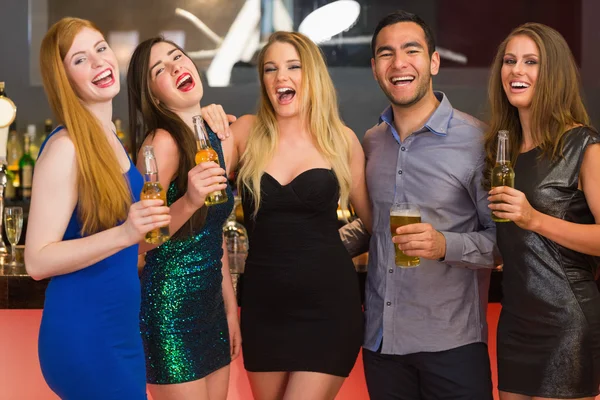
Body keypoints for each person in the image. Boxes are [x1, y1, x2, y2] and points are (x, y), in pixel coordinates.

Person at [341, 10, 498, 399]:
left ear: (434, 61)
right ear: (376, 68)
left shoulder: (477, 142)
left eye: (411, 50)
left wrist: (444, 245)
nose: (399, 63)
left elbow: (502, 243)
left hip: (453, 346)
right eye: (385, 54)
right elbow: (374, 224)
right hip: (382, 344)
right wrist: (319, 243)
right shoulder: (371, 142)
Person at [25, 18, 172, 399]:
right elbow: (37, 262)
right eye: (80, 59)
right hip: (86, 333)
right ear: (63, 78)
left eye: (101, 49)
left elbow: (124, 246)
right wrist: (125, 232)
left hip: (118, 328)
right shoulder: (66, 148)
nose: (98, 62)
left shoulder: (109, 140)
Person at [226, 31, 372, 399]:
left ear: (313, 75)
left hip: (329, 308)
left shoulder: (341, 139)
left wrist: (329, 248)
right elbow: (201, 199)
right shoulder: (244, 132)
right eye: (270, 69)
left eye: (293, 66)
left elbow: (373, 224)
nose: (281, 78)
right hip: (263, 306)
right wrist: (206, 117)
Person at [485, 23, 600, 400]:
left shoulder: (584, 145)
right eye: (510, 60)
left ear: (553, 74)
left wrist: (533, 219)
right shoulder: (503, 150)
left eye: (530, 62)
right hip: (515, 319)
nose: (516, 70)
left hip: (566, 320)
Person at [127, 37, 241, 400]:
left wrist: (230, 310)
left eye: (178, 57)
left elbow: (213, 238)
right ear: (154, 96)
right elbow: (138, 241)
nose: (176, 67)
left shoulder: (216, 138)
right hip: (170, 312)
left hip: (212, 308)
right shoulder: (160, 143)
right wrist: (190, 200)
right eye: (160, 69)